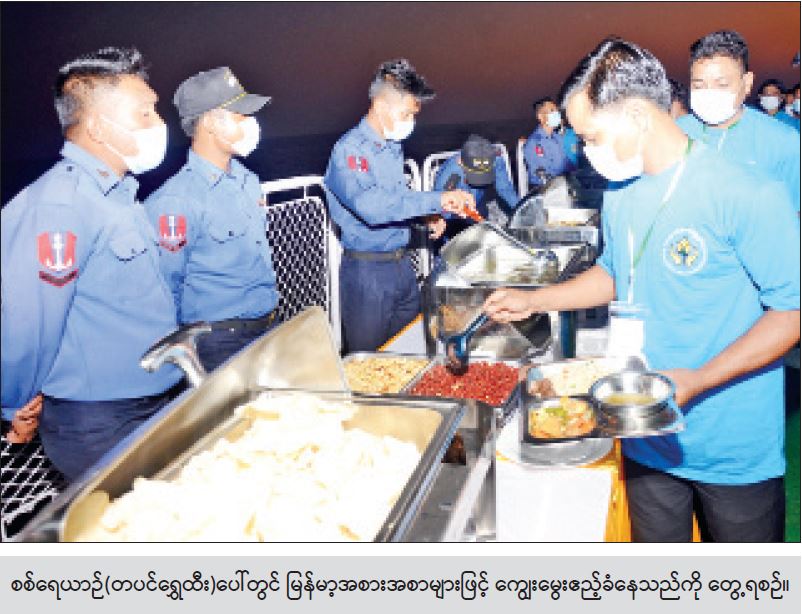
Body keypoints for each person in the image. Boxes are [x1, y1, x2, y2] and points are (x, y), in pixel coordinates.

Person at [484, 37, 800, 542]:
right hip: (642, 433)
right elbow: (615, 273)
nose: (586, 152)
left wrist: (699, 379)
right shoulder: (621, 191)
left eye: (591, 136)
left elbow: (790, 314)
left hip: (729, 445)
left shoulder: (747, 193)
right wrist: (535, 299)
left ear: (636, 115)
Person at [0, 47, 183, 481]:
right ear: (99, 127)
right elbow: (27, 322)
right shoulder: (58, 205)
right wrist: (14, 404)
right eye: (144, 114)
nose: (159, 124)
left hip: (155, 400)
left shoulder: (120, 197)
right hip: (100, 422)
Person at [323, 59, 476, 352]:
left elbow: (396, 199)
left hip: (403, 267)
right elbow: (372, 207)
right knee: (369, 362)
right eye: (406, 114)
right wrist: (438, 199)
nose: (410, 122)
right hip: (368, 274)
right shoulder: (349, 151)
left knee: (411, 349)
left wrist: (426, 216)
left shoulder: (392, 147)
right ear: (381, 106)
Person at [145, 67, 279, 372]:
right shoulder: (175, 201)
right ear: (209, 123)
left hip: (269, 328)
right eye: (240, 115)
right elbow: (164, 290)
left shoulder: (247, 181)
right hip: (218, 343)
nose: (251, 123)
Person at [677, 30, 800, 212]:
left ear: (747, 83)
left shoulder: (783, 140)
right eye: (698, 85)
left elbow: (793, 212)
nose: (710, 94)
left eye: (722, 85)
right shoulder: (676, 133)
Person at [433, 134, 519, 232]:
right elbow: (442, 208)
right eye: (475, 175)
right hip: (455, 212)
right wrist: (465, 212)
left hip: (479, 201)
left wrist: (521, 210)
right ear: (460, 162)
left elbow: (505, 189)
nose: (479, 182)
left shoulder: (496, 160)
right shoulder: (451, 174)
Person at [523, 97, 578, 188]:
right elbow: (542, 174)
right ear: (541, 117)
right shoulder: (534, 143)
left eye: (556, 110)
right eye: (552, 110)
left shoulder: (557, 138)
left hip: (562, 183)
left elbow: (566, 163)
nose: (557, 114)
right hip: (544, 188)